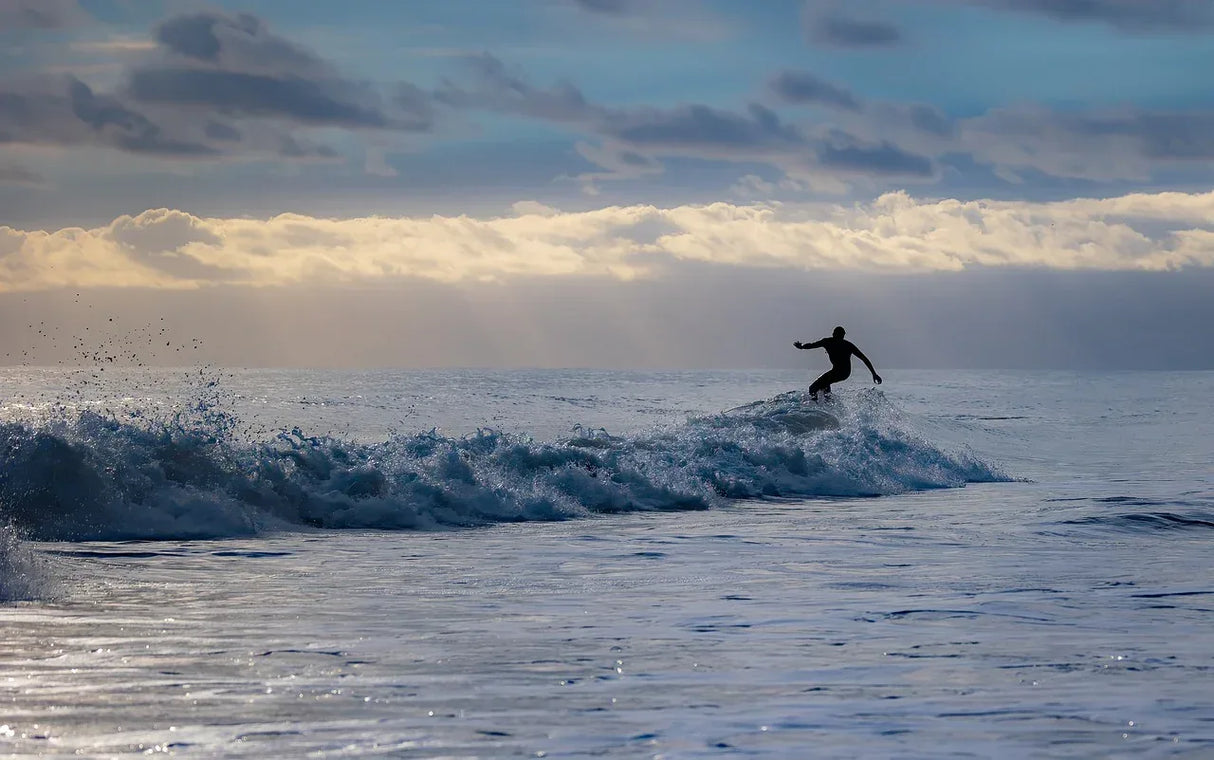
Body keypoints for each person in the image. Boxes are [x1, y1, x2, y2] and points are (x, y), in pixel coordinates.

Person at [793, 326, 881, 401]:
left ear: (843, 336)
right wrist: (802, 347)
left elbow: (864, 358)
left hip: (843, 372)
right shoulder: (828, 342)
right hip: (840, 372)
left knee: (813, 388)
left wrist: (874, 373)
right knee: (824, 385)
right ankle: (828, 404)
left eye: (841, 336)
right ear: (833, 334)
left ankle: (817, 407)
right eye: (838, 335)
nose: (840, 338)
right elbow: (812, 345)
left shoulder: (847, 345)